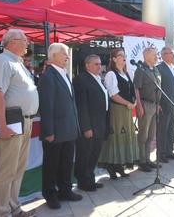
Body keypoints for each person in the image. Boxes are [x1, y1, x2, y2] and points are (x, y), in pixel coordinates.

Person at [0, 29, 38, 217]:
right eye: (24, 40)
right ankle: (2, 212)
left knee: (17, 169)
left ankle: (13, 207)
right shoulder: (2, 61)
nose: (27, 43)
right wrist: (2, 126)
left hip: (24, 122)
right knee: (7, 170)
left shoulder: (17, 63)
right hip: (12, 123)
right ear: (11, 42)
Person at [38, 43, 82, 210]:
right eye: (64, 54)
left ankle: (65, 190)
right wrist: (49, 131)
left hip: (68, 129)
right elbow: (46, 106)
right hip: (55, 131)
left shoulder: (63, 73)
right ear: (54, 56)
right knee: (51, 165)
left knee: (65, 163)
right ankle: (50, 195)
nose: (67, 57)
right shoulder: (48, 76)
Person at [99, 48, 139, 178]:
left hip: (126, 109)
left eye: (124, 55)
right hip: (117, 110)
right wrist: (127, 103)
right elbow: (113, 94)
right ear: (114, 59)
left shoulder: (126, 73)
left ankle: (120, 164)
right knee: (116, 136)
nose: (124, 57)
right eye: (120, 55)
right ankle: (112, 165)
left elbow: (132, 91)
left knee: (125, 135)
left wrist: (134, 103)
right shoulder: (111, 74)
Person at [73, 54, 109, 191]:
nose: (99, 66)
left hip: (100, 122)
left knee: (94, 154)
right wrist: (86, 127)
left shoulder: (98, 78)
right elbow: (81, 106)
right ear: (87, 65)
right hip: (89, 125)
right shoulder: (81, 79)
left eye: (100, 64)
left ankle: (90, 179)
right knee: (85, 154)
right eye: (96, 64)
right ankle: (83, 181)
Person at [134, 47, 162, 172]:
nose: (157, 57)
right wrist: (139, 106)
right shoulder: (141, 70)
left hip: (155, 105)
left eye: (156, 55)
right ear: (146, 56)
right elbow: (136, 89)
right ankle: (142, 161)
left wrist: (159, 103)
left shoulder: (155, 69)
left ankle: (148, 159)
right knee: (143, 135)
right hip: (145, 104)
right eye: (154, 55)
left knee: (151, 135)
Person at [157, 46, 174, 162]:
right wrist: (159, 103)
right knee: (163, 130)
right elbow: (157, 88)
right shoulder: (159, 68)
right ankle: (161, 154)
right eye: (170, 53)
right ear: (163, 55)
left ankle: (169, 151)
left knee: (171, 129)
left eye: (173, 53)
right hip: (164, 105)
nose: (173, 55)